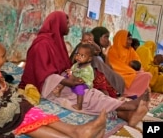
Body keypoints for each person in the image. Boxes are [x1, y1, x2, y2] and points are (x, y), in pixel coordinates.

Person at [19, 11, 149, 128]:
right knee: (85, 95)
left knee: (91, 92)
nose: (69, 25)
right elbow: (43, 75)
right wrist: (68, 81)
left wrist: (70, 76)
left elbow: (64, 67)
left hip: (60, 81)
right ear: (58, 23)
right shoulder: (42, 44)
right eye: (67, 22)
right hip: (46, 85)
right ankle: (127, 106)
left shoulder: (56, 41)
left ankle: (127, 115)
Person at [0, 39, 107, 138]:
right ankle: (75, 133)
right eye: (3, 56)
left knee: (29, 110)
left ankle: (76, 131)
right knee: (23, 119)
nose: (6, 59)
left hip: (5, 103)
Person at [71, 27, 125, 98]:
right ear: (98, 36)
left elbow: (107, 67)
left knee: (119, 78)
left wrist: (107, 50)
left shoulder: (96, 49)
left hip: (100, 75)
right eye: (106, 37)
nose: (107, 40)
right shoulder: (84, 47)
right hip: (86, 74)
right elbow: (74, 60)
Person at [107, 30, 152, 97]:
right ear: (121, 38)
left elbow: (138, 64)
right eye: (129, 39)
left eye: (131, 39)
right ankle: (127, 92)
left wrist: (139, 71)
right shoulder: (112, 50)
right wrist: (131, 71)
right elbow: (115, 66)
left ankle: (135, 92)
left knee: (148, 75)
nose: (131, 42)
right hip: (120, 74)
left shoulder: (131, 50)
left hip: (132, 73)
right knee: (120, 78)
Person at [53, 44, 95, 110]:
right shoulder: (76, 64)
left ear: (89, 59)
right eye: (78, 54)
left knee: (79, 88)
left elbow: (83, 80)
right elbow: (73, 71)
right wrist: (70, 72)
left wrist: (73, 77)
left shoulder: (88, 69)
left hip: (85, 83)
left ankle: (79, 105)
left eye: (82, 55)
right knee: (65, 76)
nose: (78, 57)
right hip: (75, 80)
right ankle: (59, 89)